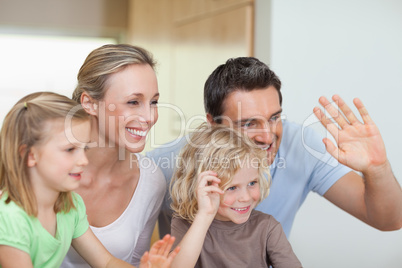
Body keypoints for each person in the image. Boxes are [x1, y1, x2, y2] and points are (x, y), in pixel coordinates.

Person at [147, 57, 402, 238]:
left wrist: (377, 169)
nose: (268, 136)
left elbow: (389, 220)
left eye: (274, 117)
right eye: (249, 123)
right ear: (213, 124)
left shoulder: (302, 146)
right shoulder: (164, 164)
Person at [0, 92, 179, 268]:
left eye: (84, 148)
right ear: (29, 155)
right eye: (70, 150)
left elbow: (106, 262)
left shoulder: (70, 206)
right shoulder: (9, 217)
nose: (83, 160)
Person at [61, 44, 167, 267]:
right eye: (133, 102)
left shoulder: (150, 181)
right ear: (89, 103)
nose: (149, 117)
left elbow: (137, 261)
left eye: (154, 102)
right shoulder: (48, 170)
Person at [169, 123, 302, 268]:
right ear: (204, 187)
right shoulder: (186, 224)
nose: (245, 197)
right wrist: (204, 215)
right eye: (232, 187)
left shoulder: (267, 228)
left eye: (252, 183)